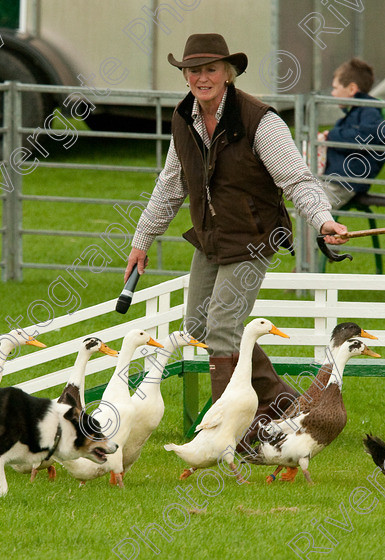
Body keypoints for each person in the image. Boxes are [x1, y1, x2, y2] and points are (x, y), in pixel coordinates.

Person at [123, 33, 347, 450]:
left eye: (211, 69)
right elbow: (170, 185)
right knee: (197, 326)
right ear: (185, 75)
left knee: (223, 331)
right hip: (211, 238)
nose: (201, 77)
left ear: (228, 73)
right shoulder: (184, 119)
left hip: (255, 236)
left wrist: (322, 220)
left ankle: (230, 438)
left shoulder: (260, 120)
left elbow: (296, 178)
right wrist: (142, 239)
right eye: (194, 70)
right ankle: (282, 404)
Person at [320, 58, 385, 210]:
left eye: (335, 88)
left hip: (345, 182)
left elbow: (363, 139)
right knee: (307, 206)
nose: (333, 93)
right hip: (338, 179)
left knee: (315, 210)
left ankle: (310, 234)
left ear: (351, 89)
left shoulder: (369, 112)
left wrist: (331, 135)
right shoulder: (355, 113)